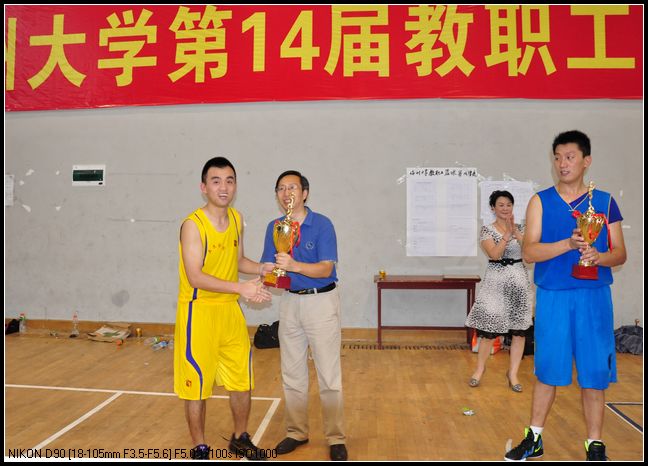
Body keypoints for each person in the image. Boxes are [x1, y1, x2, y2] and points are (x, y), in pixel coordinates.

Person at [505, 130, 627, 462]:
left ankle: (595, 444)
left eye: (570, 157)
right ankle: (534, 438)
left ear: (586, 161)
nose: (562, 163)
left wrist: (598, 257)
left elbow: (620, 254)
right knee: (548, 369)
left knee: (594, 374)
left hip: (594, 297)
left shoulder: (604, 202)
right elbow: (529, 252)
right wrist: (568, 244)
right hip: (554, 297)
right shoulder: (540, 201)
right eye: (558, 157)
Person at [173, 156, 274, 461]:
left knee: (242, 380)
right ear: (203, 187)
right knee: (197, 386)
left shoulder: (236, 219)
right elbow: (195, 276)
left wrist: (261, 268)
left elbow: (238, 261)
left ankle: (240, 438)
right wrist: (241, 288)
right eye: (216, 181)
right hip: (199, 313)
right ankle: (200, 447)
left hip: (230, 311)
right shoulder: (193, 225)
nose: (224, 187)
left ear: (235, 186)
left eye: (229, 181)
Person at [260, 170, 348, 461]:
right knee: (292, 373)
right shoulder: (275, 227)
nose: (286, 193)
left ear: (305, 193)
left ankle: (336, 438)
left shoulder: (322, 224)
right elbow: (269, 268)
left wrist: (294, 265)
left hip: (321, 302)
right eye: (281, 188)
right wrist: (264, 280)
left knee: (329, 375)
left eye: (293, 187)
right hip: (290, 303)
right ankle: (296, 432)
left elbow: (326, 268)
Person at [465, 190, 533, 392]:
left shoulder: (522, 228)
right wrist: (506, 236)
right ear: (493, 208)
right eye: (501, 205)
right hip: (495, 283)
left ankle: (513, 374)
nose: (505, 208)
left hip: (518, 281)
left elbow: (529, 253)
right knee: (489, 331)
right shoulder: (487, 230)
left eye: (508, 205)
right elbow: (494, 254)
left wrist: (516, 232)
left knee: (519, 332)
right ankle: (479, 370)